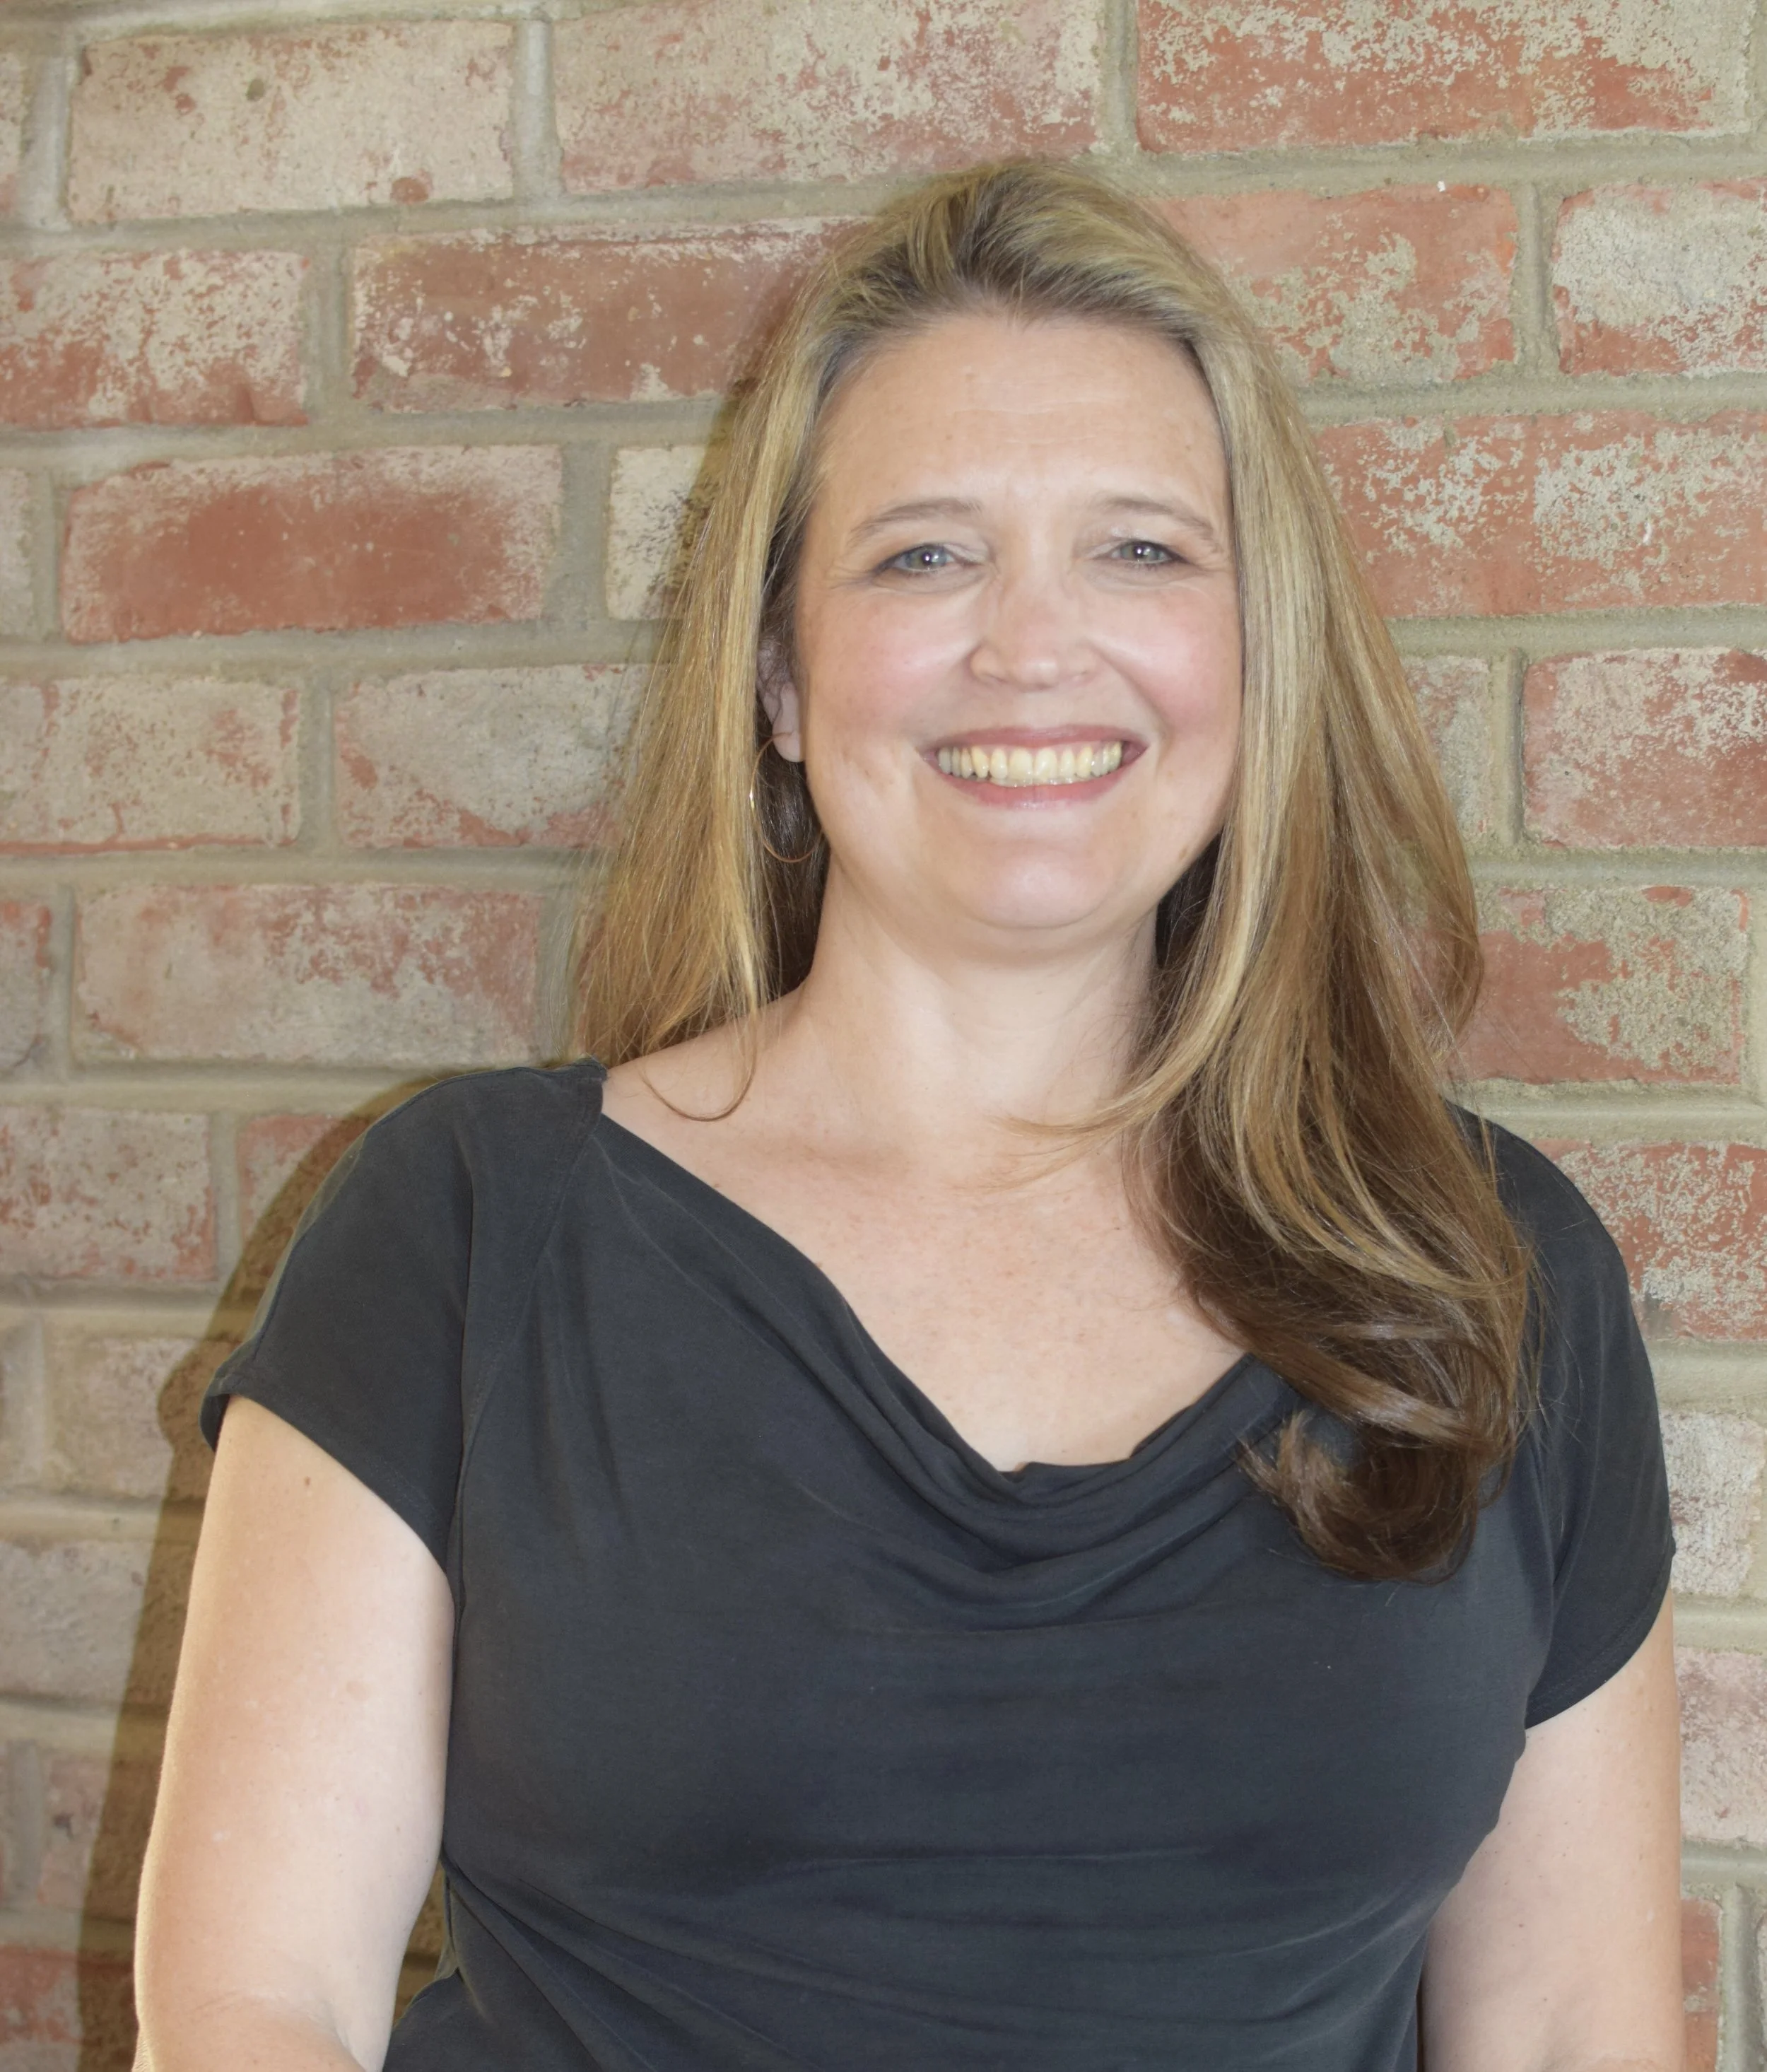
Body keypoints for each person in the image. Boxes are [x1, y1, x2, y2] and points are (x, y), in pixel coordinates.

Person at [131, 160, 1681, 2072]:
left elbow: (1571, 2027)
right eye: (924, 555)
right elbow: (252, 2008)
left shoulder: (1486, 1270)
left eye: (1137, 549)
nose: (1031, 646)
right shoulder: (468, 1228)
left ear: (1255, 653)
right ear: (778, 675)